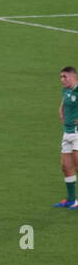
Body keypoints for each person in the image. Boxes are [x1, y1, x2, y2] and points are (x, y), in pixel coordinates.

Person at [52, 65, 78, 208]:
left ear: (73, 76)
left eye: (64, 76)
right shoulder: (66, 89)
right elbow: (65, 98)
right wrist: (61, 109)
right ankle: (72, 200)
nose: (62, 80)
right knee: (66, 166)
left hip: (77, 133)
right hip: (67, 132)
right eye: (61, 77)